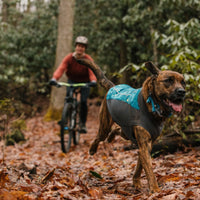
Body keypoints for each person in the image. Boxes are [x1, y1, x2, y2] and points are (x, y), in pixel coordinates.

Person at [50, 36, 97, 133]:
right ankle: (65, 120)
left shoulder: (88, 59)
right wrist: (54, 78)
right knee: (68, 98)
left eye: (83, 47)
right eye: (79, 46)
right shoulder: (69, 58)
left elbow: (92, 72)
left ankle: (83, 124)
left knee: (83, 102)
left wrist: (93, 81)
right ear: (75, 47)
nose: (80, 48)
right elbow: (61, 68)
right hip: (72, 80)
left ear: (85, 49)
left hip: (85, 82)